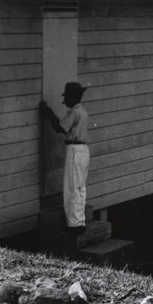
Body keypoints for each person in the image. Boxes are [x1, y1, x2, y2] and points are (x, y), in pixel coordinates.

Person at [40, 82, 90, 235]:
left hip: (75, 149)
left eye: (67, 96)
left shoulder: (74, 112)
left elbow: (60, 128)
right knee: (80, 187)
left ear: (73, 97)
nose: (65, 100)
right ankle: (80, 220)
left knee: (72, 186)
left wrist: (48, 112)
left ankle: (74, 224)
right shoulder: (82, 111)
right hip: (83, 150)